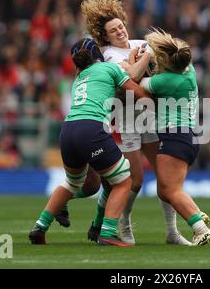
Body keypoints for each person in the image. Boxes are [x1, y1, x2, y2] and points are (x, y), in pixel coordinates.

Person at [58, 0, 206, 246]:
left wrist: (142, 60)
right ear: (104, 37)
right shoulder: (108, 55)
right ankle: (121, 225)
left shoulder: (139, 43)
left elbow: (169, 64)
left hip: (150, 117)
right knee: (133, 179)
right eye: (113, 30)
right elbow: (132, 79)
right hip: (125, 118)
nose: (120, 31)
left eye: (120, 26)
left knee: (164, 178)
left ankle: (171, 232)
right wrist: (144, 60)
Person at [28, 38, 150, 246]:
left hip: (68, 130)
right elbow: (139, 94)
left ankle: (40, 226)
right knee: (123, 181)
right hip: (92, 129)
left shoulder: (78, 79)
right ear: (98, 55)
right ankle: (107, 233)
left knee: (74, 183)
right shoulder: (109, 68)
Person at [139, 28, 210, 246]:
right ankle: (196, 213)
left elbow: (135, 82)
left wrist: (138, 60)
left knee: (170, 190)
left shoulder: (165, 81)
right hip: (187, 137)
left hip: (174, 136)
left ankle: (200, 228)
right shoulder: (188, 70)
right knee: (166, 190)